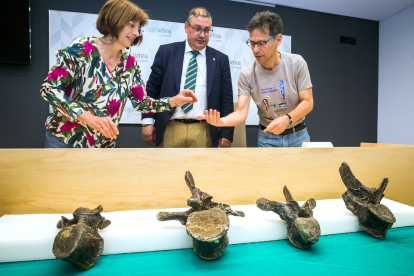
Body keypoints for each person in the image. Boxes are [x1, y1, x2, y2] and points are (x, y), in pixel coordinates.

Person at [40, 0, 196, 148]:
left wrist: (174, 101)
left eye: (139, 28)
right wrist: (86, 116)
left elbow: (142, 103)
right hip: (64, 139)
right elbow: (49, 89)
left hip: (102, 145)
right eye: (131, 25)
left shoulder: (130, 64)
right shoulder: (82, 48)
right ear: (116, 20)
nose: (136, 33)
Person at [200, 11, 313, 147]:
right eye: (252, 43)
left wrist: (287, 119)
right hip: (268, 137)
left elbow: (308, 101)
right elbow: (241, 112)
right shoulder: (247, 74)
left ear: (278, 39)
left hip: (298, 135)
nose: (255, 50)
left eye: (261, 43)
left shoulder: (296, 63)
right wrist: (222, 122)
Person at [141, 7, 234, 148]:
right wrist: (147, 121)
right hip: (170, 127)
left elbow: (226, 99)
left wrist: (226, 133)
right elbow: (152, 89)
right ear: (186, 27)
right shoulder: (166, 53)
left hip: (204, 130)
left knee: (203, 170)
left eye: (206, 30)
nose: (202, 35)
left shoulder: (221, 60)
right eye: (197, 28)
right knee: (168, 170)